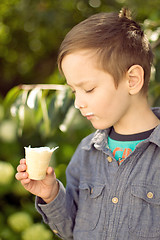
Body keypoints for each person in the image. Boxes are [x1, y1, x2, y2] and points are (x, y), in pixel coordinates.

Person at [16, 8, 160, 240]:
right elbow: (70, 230)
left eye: (89, 89)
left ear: (132, 80)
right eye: (74, 91)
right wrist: (51, 194)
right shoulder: (86, 153)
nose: (78, 103)